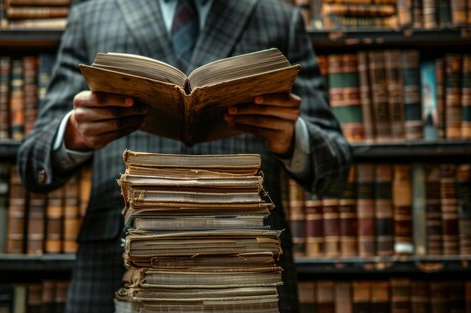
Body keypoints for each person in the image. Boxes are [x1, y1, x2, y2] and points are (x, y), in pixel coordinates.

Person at [18, 0, 352, 312]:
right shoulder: (91, 15)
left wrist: (293, 137)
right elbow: (34, 165)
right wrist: (74, 134)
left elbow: (336, 168)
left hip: (244, 263)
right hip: (120, 260)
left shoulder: (279, 17)